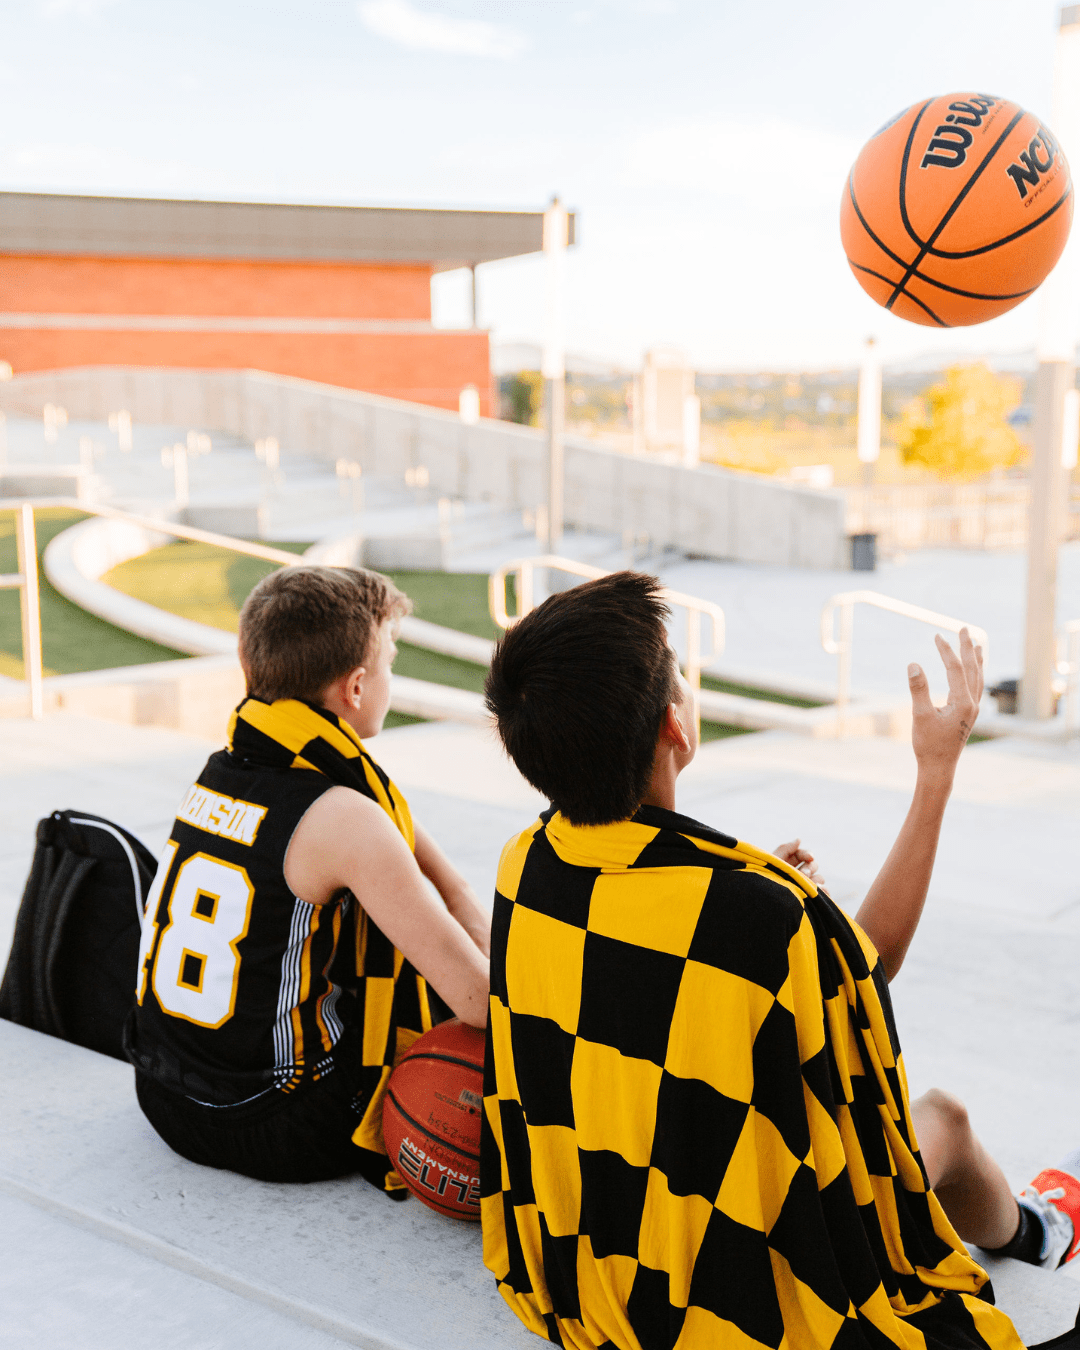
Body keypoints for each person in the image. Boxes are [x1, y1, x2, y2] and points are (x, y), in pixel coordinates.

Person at [480, 570, 1079, 1350]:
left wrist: (768, 898)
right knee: (945, 1121)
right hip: (735, 1279)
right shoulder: (756, 916)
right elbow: (870, 967)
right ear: (675, 727)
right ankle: (1041, 1230)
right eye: (682, 677)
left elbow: (636, 965)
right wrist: (936, 771)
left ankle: (1039, 1227)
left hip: (593, 1254)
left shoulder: (523, 863)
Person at [125, 564, 489, 1192]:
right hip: (274, 1123)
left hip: (161, 1096)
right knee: (480, 1054)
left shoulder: (223, 768)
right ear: (354, 689)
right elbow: (477, 999)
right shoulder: (345, 815)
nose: (391, 680)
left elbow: (443, 879)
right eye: (390, 663)